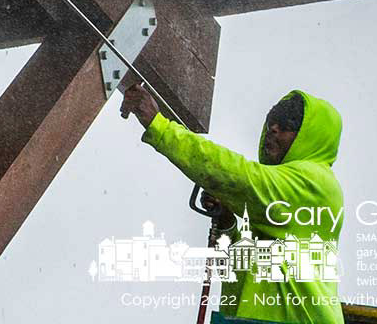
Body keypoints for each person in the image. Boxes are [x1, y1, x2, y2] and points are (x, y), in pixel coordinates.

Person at [119, 81, 344, 324]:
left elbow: (240, 177)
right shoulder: (275, 211)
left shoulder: (316, 183)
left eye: (287, 125)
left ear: (311, 137)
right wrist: (227, 223)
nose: (274, 129)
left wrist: (160, 126)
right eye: (272, 122)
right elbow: (247, 271)